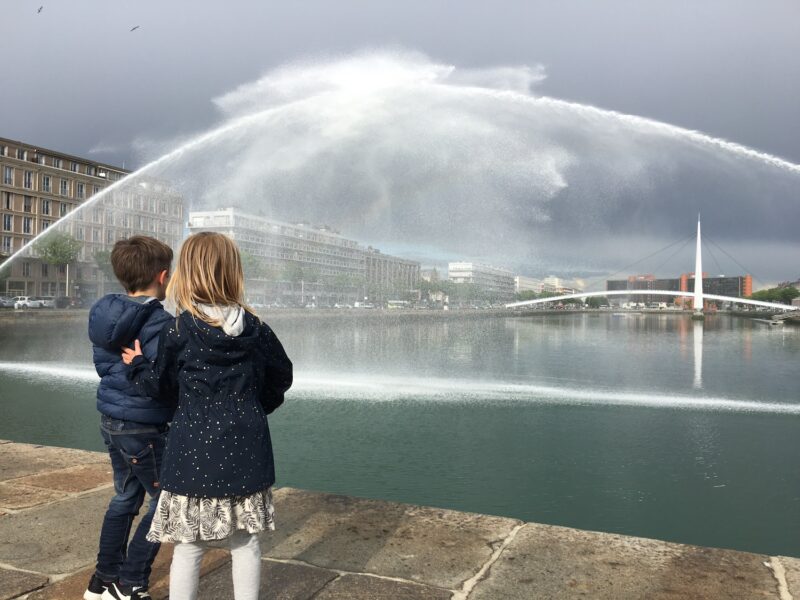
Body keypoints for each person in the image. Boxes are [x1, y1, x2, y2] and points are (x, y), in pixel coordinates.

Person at [121, 231, 293, 600]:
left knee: (188, 545)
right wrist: (254, 404)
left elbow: (161, 386)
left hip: (192, 450)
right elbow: (283, 375)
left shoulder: (179, 329)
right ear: (233, 273)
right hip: (247, 447)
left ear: (187, 273)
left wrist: (136, 365)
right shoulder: (256, 328)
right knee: (245, 543)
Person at [85, 236, 175, 600]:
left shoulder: (105, 315)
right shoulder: (160, 322)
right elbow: (161, 383)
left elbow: (105, 368)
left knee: (125, 497)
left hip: (111, 419)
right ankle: (130, 581)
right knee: (168, 499)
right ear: (163, 275)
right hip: (144, 424)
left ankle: (103, 579)